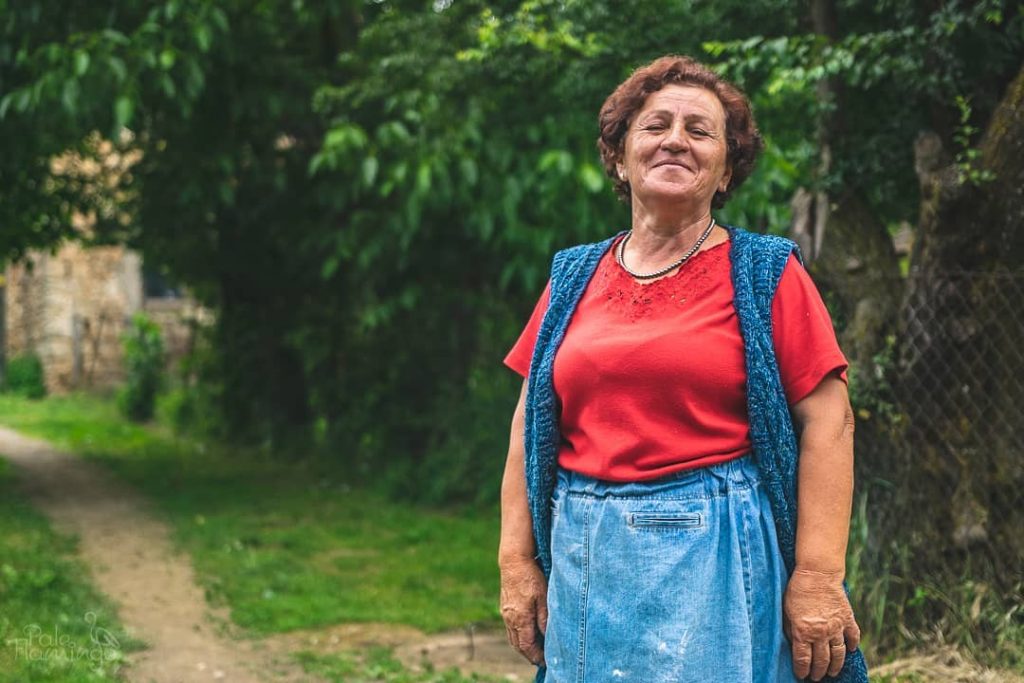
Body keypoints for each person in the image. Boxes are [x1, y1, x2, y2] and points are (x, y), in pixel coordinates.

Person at [498, 55, 869, 683]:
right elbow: (526, 430)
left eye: (700, 131)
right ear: (619, 157)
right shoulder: (572, 277)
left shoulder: (765, 272)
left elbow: (830, 424)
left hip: (718, 556)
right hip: (584, 551)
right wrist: (516, 562)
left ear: (726, 171)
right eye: (656, 125)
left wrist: (816, 576)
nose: (676, 139)